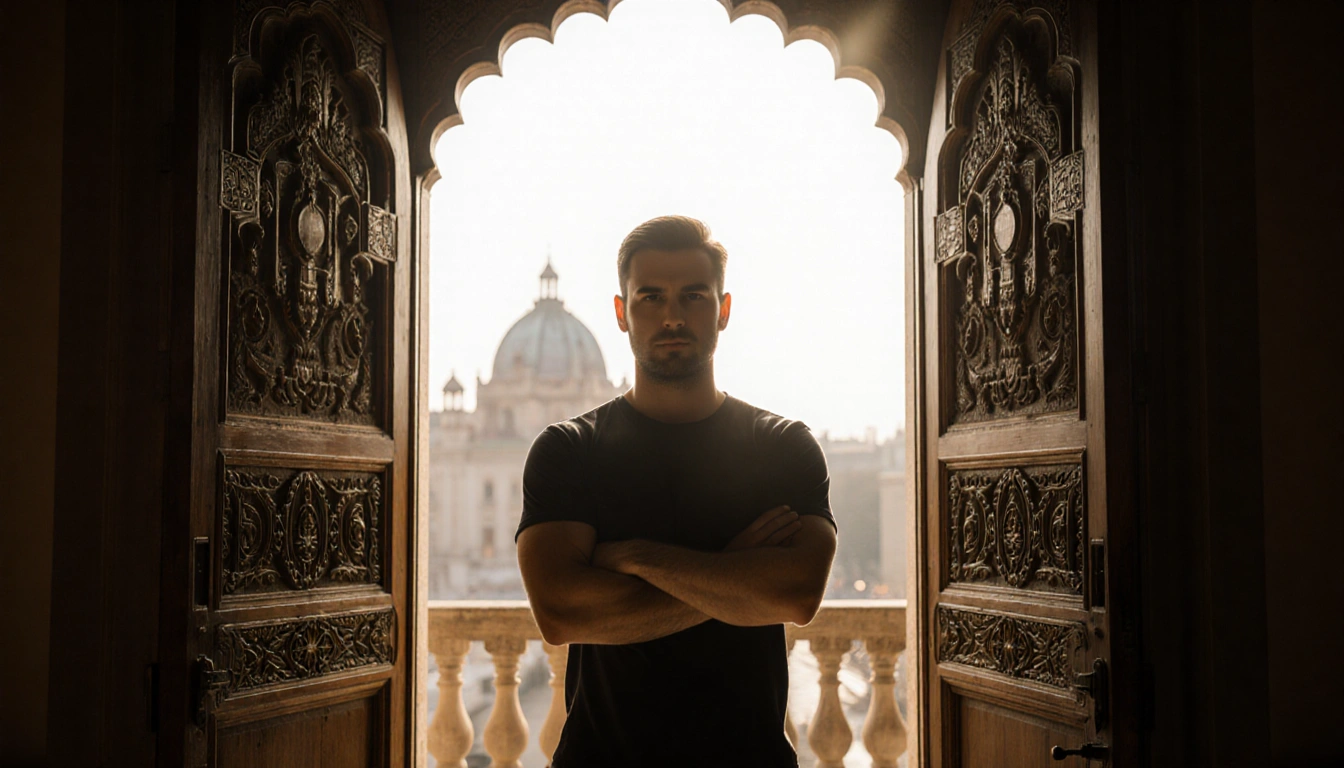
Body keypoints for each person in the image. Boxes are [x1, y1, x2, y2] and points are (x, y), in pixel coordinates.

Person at [515, 215, 838, 767]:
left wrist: (634, 557)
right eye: (650, 297)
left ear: (724, 309)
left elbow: (795, 597)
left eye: (693, 295)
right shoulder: (567, 449)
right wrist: (732, 571)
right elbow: (561, 612)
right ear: (621, 313)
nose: (671, 316)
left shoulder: (784, 445)